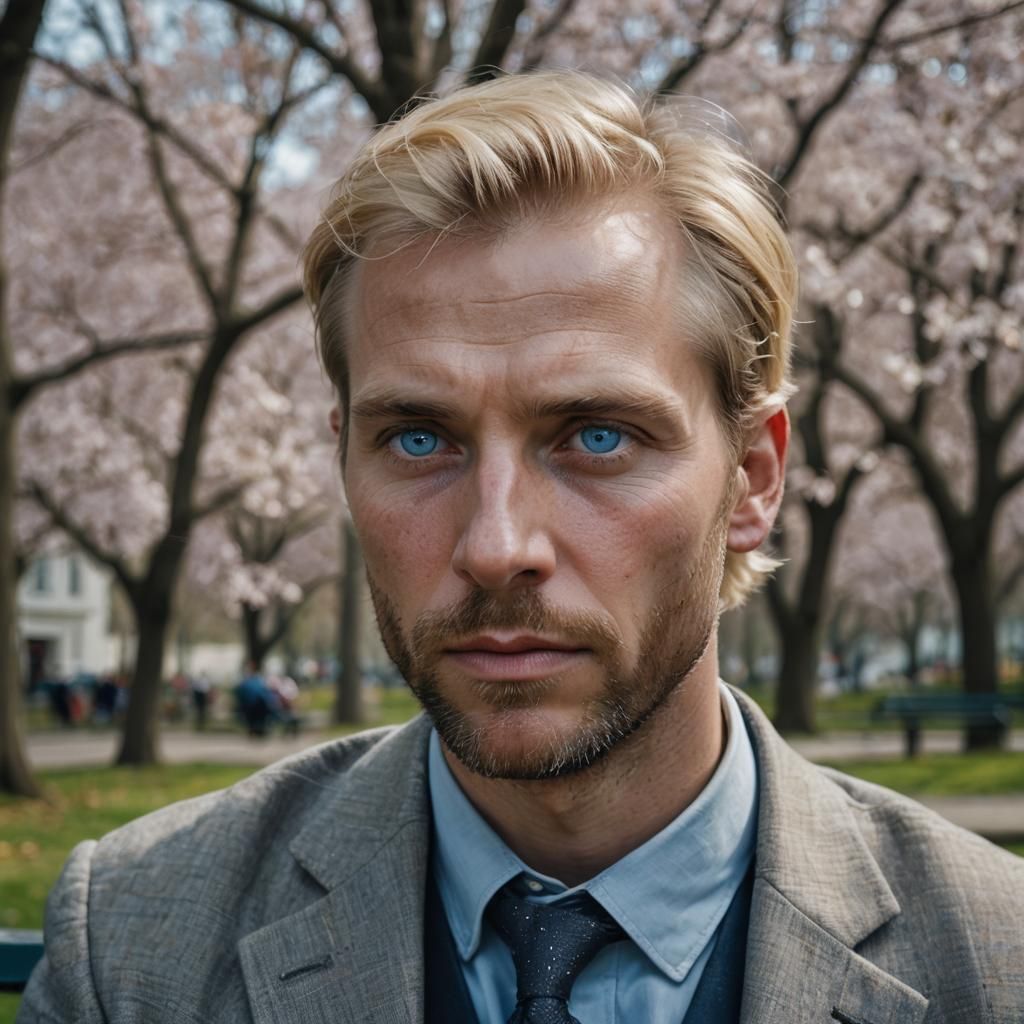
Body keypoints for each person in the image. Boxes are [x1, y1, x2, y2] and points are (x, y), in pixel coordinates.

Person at [20, 71, 1023, 1024]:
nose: (496, 547)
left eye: (597, 436)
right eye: (418, 439)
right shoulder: (132, 946)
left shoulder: (997, 960)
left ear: (754, 478)